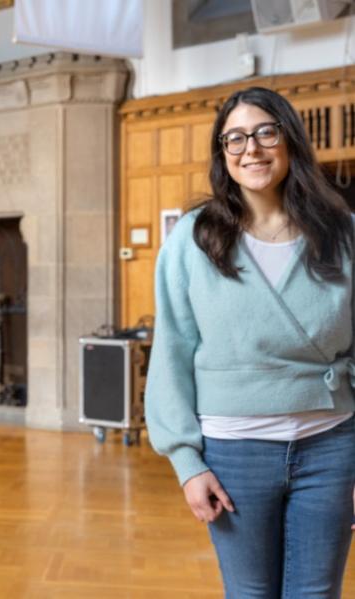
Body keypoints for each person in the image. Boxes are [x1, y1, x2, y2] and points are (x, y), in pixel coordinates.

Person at [146, 86, 355, 598]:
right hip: (234, 451)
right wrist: (186, 463)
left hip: (332, 444)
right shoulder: (193, 240)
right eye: (234, 138)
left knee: (317, 593)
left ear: (290, 141)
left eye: (266, 132)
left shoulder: (343, 233)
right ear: (222, 154)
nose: (251, 149)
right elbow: (171, 352)